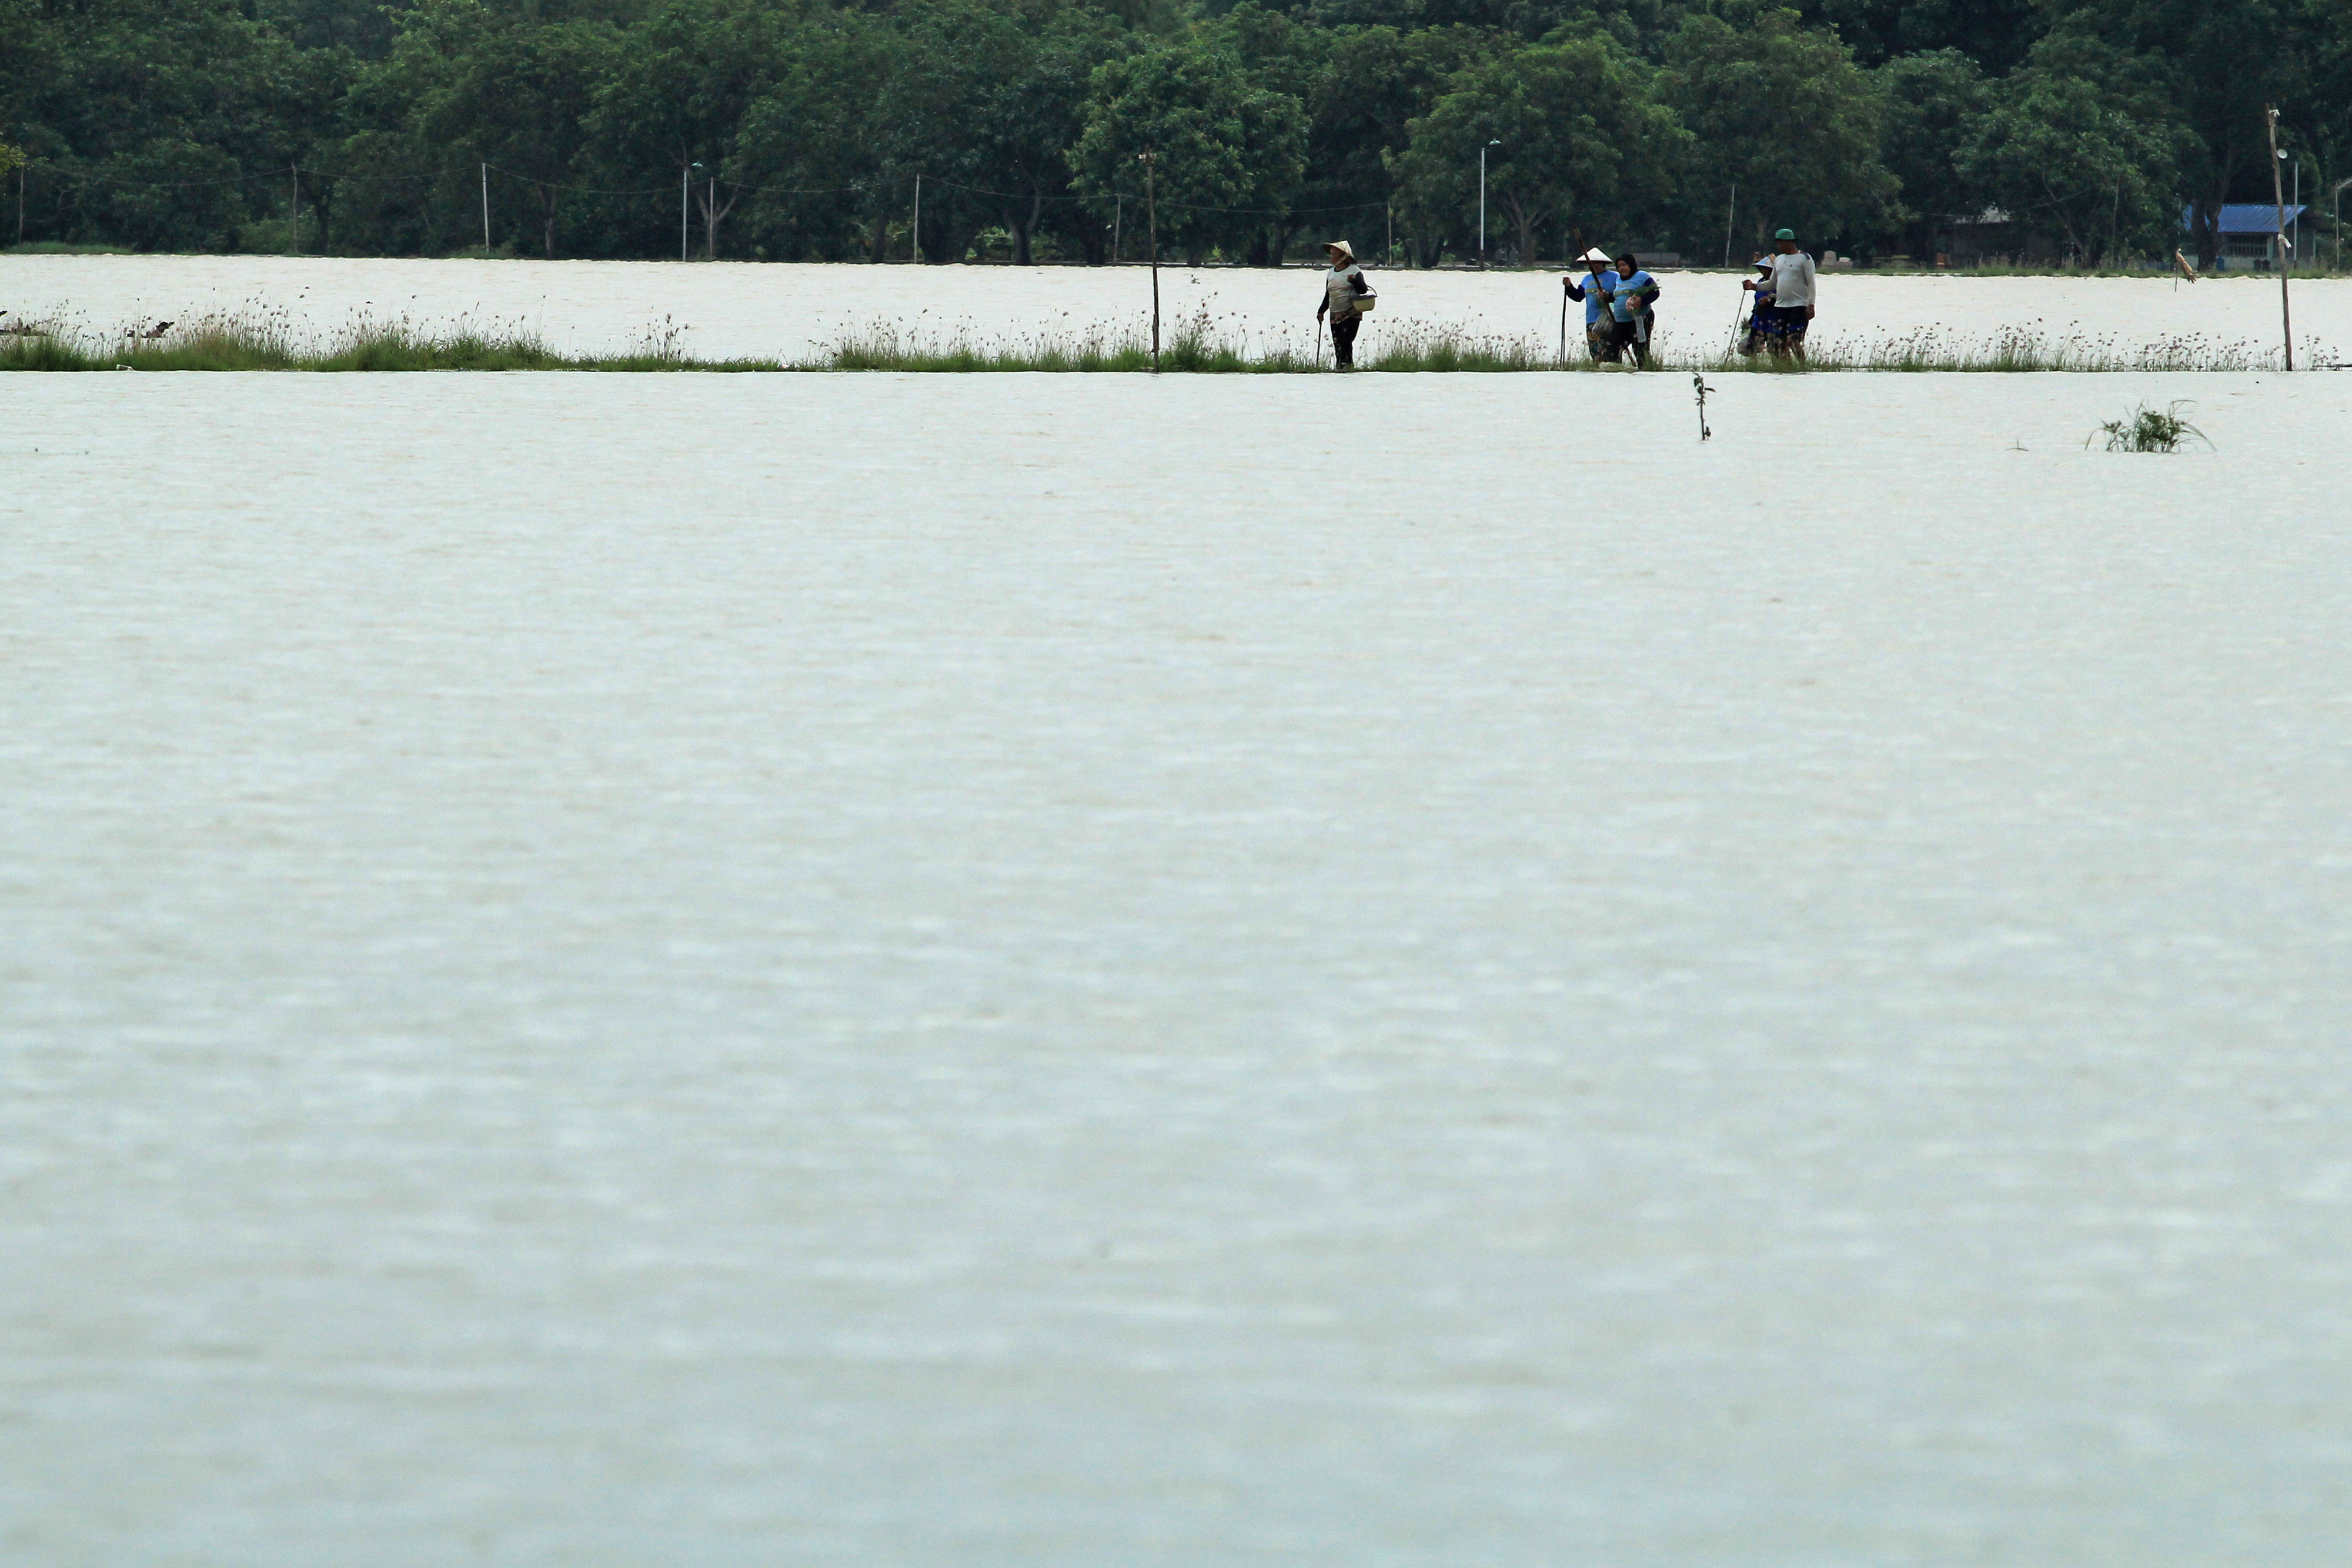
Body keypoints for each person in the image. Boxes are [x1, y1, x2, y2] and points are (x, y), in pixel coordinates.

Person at [1745, 228, 1816, 361]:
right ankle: (1783, 367)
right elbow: (1772, 283)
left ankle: (1802, 366)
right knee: (1778, 341)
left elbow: (1811, 284)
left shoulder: (1805, 259)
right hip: (1781, 306)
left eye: (1781, 243)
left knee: (1794, 340)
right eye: (1778, 243)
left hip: (1799, 305)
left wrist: (1811, 305)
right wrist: (1754, 287)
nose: (1779, 246)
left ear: (1790, 242)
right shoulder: (1779, 260)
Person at [1315, 239, 1371, 369]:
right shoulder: (1331, 273)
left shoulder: (1354, 270)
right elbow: (1328, 294)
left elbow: (1363, 290)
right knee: (1337, 344)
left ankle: (1348, 366)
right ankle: (1341, 367)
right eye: (1331, 254)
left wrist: (1355, 281)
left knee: (1345, 340)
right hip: (1335, 314)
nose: (1331, 257)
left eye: (1334, 254)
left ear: (1343, 257)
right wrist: (1321, 311)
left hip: (1351, 312)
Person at [1562, 248, 1619, 362]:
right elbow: (1578, 296)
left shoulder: (1615, 277)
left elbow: (1620, 296)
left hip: (1609, 320)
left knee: (1610, 351)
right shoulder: (1587, 279)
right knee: (1596, 353)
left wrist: (1608, 296)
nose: (1593, 266)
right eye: (1591, 263)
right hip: (1591, 321)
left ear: (1603, 264)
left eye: (1596, 263)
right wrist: (1569, 287)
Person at [1606, 252, 1660, 368]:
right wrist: (1607, 297)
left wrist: (1641, 300)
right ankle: (1615, 373)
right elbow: (1617, 297)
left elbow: (1655, 292)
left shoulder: (1642, 276)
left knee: (1640, 350)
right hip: (1620, 322)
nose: (1622, 268)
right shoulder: (1618, 280)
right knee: (1613, 348)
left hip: (1640, 319)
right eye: (1619, 266)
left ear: (1631, 264)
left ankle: (1647, 371)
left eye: (1624, 265)